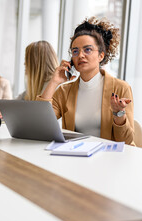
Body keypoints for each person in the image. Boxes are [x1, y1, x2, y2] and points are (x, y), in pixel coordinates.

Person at [38, 17, 135, 145]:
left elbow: (126, 141)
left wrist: (118, 114)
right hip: (77, 156)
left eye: (87, 49)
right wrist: (54, 82)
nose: (81, 55)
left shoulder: (120, 88)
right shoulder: (64, 91)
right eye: (75, 51)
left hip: (110, 159)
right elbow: (40, 124)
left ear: (101, 55)